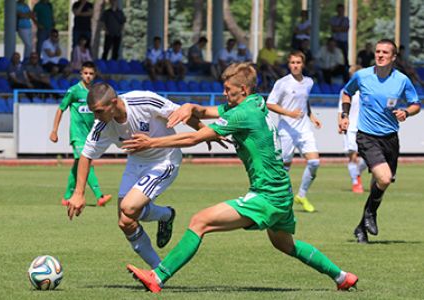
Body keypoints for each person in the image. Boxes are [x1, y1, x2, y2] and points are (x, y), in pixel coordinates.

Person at [121, 62, 358, 293]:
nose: (223, 94)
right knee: (285, 245)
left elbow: (195, 138)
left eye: (228, 90)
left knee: (199, 221)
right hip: (281, 191)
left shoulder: (243, 113)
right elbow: (207, 112)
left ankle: (158, 276)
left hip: (267, 195)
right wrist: (190, 106)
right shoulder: (256, 102)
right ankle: (342, 276)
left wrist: (151, 142)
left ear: (243, 90)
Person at [66, 82, 212, 269]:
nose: (96, 117)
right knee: (125, 221)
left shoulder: (144, 101)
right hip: (136, 163)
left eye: (99, 111)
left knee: (129, 206)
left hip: (164, 160)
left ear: (113, 102)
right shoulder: (101, 125)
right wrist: (79, 193)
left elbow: (181, 114)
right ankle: (158, 268)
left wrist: (205, 131)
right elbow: (86, 155)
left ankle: (164, 227)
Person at [339, 39, 420, 244]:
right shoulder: (362, 75)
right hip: (366, 136)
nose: (380, 55)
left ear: (393, 57)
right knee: (383, 179)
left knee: (382, 182)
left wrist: (406, 112)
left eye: (385, 52)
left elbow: (415, 104)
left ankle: (361, 227)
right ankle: (371, 215)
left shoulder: (401, 80)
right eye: (377, 52)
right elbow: (347, 92)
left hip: (391, 138)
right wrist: (344, 115)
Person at [50, 61, 112, 207]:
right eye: (86, 73)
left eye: (91, 74)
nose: (88, 76)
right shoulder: (74, 91)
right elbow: (61, 109)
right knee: (87, 163)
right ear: (81, 74)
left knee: (78, 165)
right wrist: (54, 130)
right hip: (77, 135)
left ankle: (66, 198)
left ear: (95, 75)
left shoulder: (95, 93)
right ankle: (99, 196)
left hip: (90, 135)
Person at [266, 51, 321, 213]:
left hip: (304, 128)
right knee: (284, 167)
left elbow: (305, 101)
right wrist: (289, 113)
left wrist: (311, 116)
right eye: (292, 63)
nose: (295, 65)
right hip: (287, 130)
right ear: (288, 64)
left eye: (298, 62)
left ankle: (302, 195)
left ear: (303, 64)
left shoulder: (309, 82)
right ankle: (282, 197)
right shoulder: (282, 83)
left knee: (314, 162)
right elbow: (270, 104)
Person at [337, 65, 367, 194]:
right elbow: (340, 109)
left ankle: (356, 173)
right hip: (350, 127)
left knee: (367, 158)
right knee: (352, 155)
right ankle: (356, 182)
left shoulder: (367, 90)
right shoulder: (346, 91)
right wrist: (340, 123)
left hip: (365, 127)